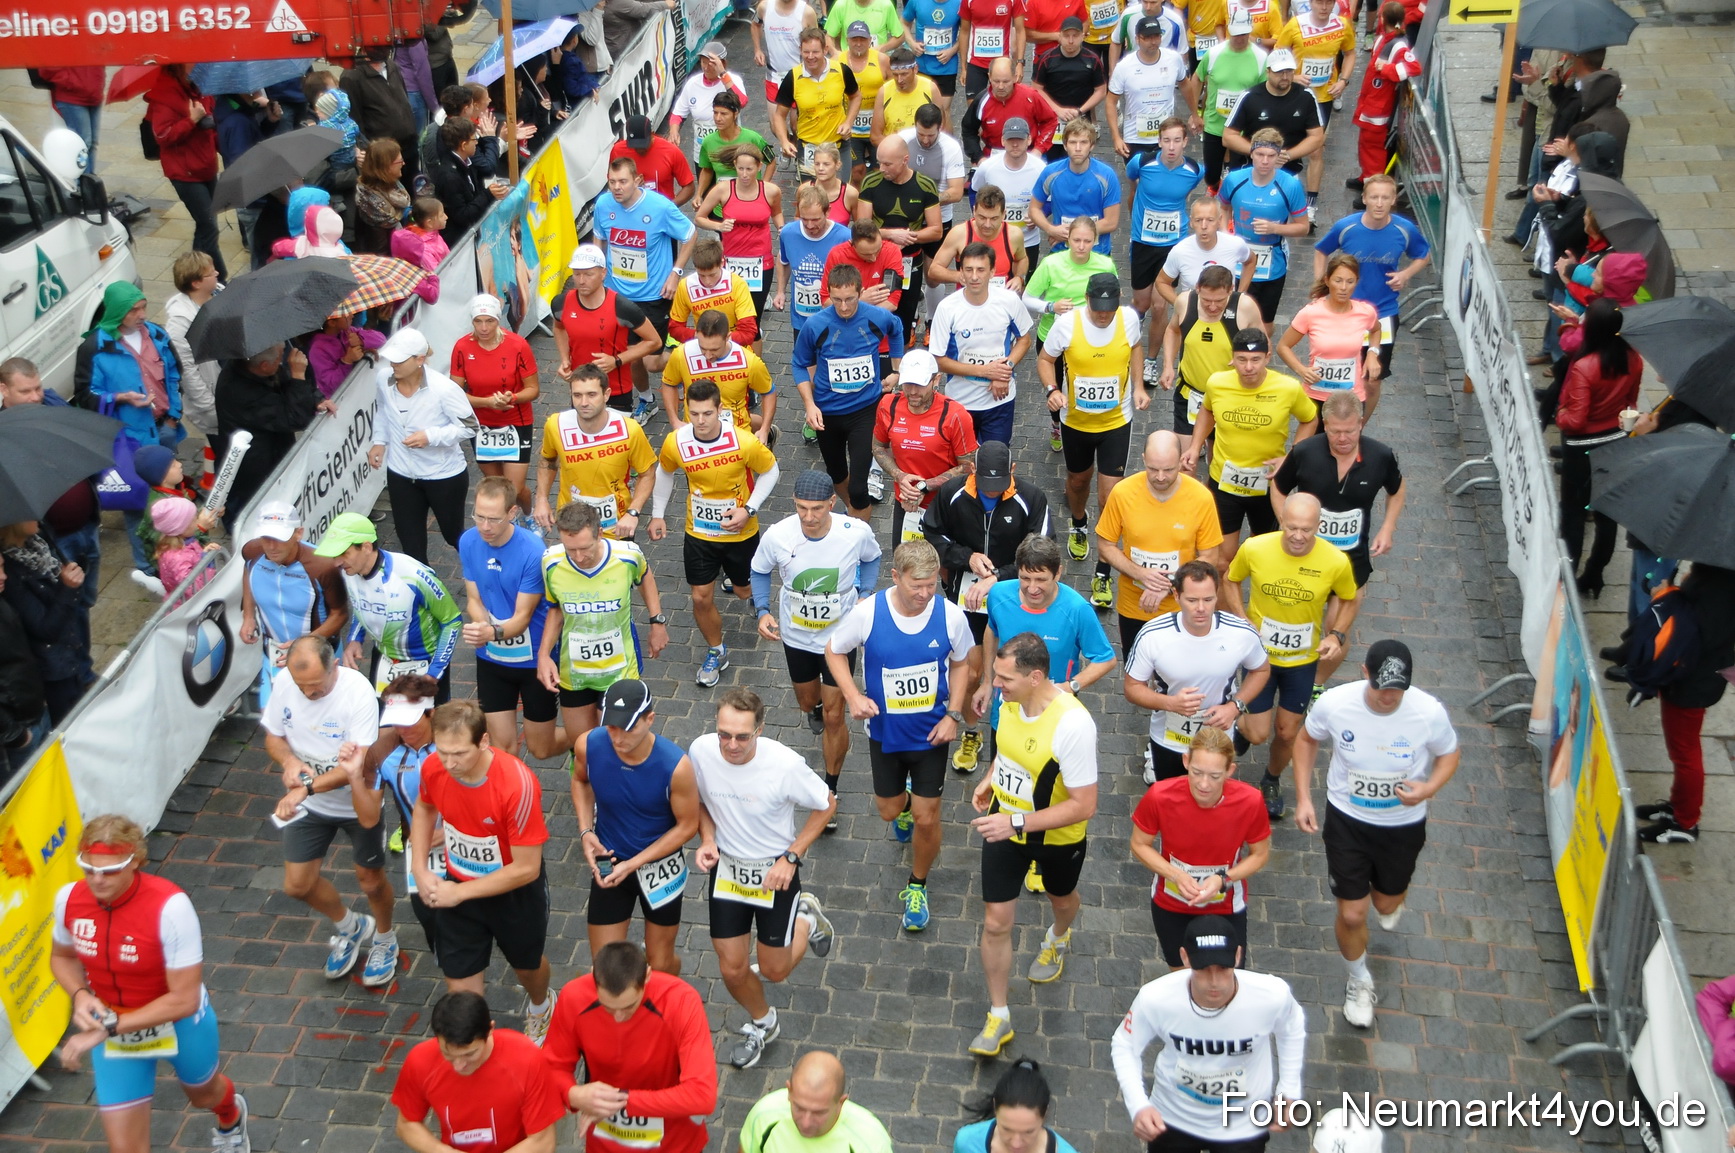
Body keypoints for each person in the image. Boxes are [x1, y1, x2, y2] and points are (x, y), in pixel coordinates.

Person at [49, 816, 251, 1153]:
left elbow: (184, 1000)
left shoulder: (171, 907)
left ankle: (231, 1117)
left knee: (203, 1095)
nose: (97, 880)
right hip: (114, 1028)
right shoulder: (68, 899)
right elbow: (62, 957)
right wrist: (80, 993)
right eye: (88, 869)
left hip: (179, 1023)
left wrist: (109, 1028)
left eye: (110, 871)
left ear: (136, 863)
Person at [1292, 640, 1460, 1027]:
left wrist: (1428, 788)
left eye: (1397, 689)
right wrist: (1304, 798)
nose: (1389, 697)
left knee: (1385, 905)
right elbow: (1306, 739)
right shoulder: (1336, 703)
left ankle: (1391, 900)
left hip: (1401, 826)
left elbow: (1449, 753)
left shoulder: (1427, 712)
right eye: (1382, 686)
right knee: (1352, 913)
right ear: (1364, 673)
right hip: (1347, 821)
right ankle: (1359, 980)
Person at [826, 538, 973, 930]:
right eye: (916, 585)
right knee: (889, 810)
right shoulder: (869, 612)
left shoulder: (951, 616)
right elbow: (833, 651)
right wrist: (853, 695)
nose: (925, 594)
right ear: (895, 577)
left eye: (931, 585)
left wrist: (954, 715)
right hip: (885, 733)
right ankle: (905, 807)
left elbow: (962, 666)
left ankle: (917, 885)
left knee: (928, 818)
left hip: (931, 734)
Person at [967, 633, 1099, 1056]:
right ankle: (999, 1014)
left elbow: (1084, 805)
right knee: (995, 922)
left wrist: (1017, 822)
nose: (996, 685)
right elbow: (1007, 752)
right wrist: (991, 779)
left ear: (1036, 677)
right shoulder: (1009, 704)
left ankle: (1058, 937)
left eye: (1005, 678)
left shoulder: (1073, 725)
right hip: (1005, 828)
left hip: (1056, 838)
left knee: (1063, 900)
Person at [691, 689, 838, 1069]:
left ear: (760, 730)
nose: (731, 745)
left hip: (775, 872)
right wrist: (707, 838)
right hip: (728, 869)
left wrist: (791, 856)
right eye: (724, 734)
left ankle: (806, 917)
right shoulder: (702, 752)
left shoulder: (785, 765)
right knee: (732, 967)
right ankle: (763, 1023)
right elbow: (701, 802)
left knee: (775, 969)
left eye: (742, 736)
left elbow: (827, 805)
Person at [408, 699, 556, 1042]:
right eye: (442, 751)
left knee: (528, 966)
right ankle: (476, 1046)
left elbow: (527, 868)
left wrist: (458, 892)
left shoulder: (517, 785)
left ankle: (541, 1005)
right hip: (457, 887)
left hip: (512, 893)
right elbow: (424, 808)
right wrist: (419, 868)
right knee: (461, 993)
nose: (449, 762)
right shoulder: (434, 767)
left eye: (459, 753)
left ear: (484, 742)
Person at [261, 636, 397, 985]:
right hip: (310, 805)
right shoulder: (284, 684)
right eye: (301, 686)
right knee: (297, 884)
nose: (308, 694)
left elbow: (358, 765)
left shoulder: (358, 694)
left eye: (316, 687)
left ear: (334, 665)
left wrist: (305, 788)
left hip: (356, 800)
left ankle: (385, 937)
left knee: (370, 880)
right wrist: (289, 760)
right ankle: (350, 927)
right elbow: (273, 737)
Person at [1110, 914, 1306, 1150]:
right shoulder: (1155, 997)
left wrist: (1288, 1089)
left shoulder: (1271, 995)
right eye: (1203, 969)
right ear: (1184, 957)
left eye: (1223, 968)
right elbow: (1124, 1044)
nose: (1214, 981)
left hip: (1242, 1123)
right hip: (1172, 1119)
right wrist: (1138, 1105)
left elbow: (1292, 1027)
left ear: (1237, 955)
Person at [1222, 493, 1359, 819]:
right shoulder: (1255, 548)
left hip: (1302, 659)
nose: (1298, 536)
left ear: (1319, 526)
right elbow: (1230, 579)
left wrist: (1336, 634)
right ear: (1281, 521)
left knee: (1286, 732)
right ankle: (1242, 731)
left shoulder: (1335, 560)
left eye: (1307, 530)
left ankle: (1271, 779)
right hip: (1261, 660)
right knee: (1258, 733)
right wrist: (1241, 617)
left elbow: (1350, 598)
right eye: (1291, 527)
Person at [921, 442, 1054, 772]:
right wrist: (966, 557)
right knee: (971, 670)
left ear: (1013, 471)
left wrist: (998, 577)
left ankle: (1021, 726)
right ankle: (970, 731)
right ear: (971, 471)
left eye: (998, 486)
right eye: (984, 484)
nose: (991, 493)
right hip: (966, 595)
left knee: (1018, 666)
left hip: (1016, 597)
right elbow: (933, 535)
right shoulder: (952, 494)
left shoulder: (1033, 499)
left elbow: (1043, 554)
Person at [754, 470, 884, 806]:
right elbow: (759, 569)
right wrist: (762, 610)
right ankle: (814, 708)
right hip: (796, 637)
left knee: (834, 715)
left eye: (817, 509)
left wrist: (866, 592)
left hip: (839, 638)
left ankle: (831, 787)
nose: (808, 517)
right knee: (806, 701)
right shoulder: (778, 535)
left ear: (831, 503)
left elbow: (872, 558)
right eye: (801, 508)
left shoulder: (854, 532)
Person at [649, 380, 781, 687]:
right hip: (699, 532)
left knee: (743, 590)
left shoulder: (743, 441)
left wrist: (749, 509)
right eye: (693, 413)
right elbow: (665, 472)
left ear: (720, 410)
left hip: (740, 533)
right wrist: (658, 514)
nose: (700, 421)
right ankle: (716, 650)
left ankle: (753, 600)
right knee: (700, 596)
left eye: (707, 413)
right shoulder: (676, 442)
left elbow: (771, 470)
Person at [1270, 392, 1404, 680]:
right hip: (1305, 553)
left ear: (1361, 425)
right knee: (1295, 621)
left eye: (1350, 431)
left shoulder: (1380, 455)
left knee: (1336, 631)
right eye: (1335, 432)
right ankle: (1281, 672)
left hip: (1350, 558)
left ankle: (1316, 684)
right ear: (1325, 425)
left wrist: (1388, 527)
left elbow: (1397, 489)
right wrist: (1287, 522)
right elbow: (1278, 487)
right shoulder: (1305, 451)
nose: (1343, 438)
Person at [569, 681, 698, 976]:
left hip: (659, 867)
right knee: (605, 966)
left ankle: (671, 996)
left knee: (661, 964)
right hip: (610, 861)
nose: (617, 737)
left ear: (649, 719)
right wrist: (586, 831)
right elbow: (580, 781)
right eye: (612, 727)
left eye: (628, 728)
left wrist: (634, 864)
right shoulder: (588, 744)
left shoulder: (676, 766)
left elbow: (688, 826)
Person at [541, 941, 718, 1152]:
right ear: (592, 976)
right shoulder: (574, 997)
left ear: (648, 976)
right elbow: (551, 1067)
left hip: (674, 1143)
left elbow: (702, 1095)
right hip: (604, 1143)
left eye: (629, 1006)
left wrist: (621, 1100)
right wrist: (573, 1094)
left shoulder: (681, 1001)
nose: (618, 1017)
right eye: (607, 1007)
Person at [1130, 726, 1271, 966]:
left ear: (1230, 771)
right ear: (1186, 761)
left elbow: (1260, 854)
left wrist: (1224, 879)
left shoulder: (1250, 801)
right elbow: (1139, 844)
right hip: (1171, 903)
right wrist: (1175, 875)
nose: (1204, 784)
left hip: (1225, 905)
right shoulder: (1160, 796)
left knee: (1229, 972)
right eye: (1197, 772)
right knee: (1181, 972)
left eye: (1215, 776)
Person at [1039, 272, 1147, 581]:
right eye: (1098, 308)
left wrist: (1139, 386)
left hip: (1116, 421)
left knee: (1110, 495)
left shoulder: (1127, 319)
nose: (1103, 315)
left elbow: (1136, 347)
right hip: (1077, 422)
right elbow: (1045, 360)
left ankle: (1104, 569)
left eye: (1109, 309)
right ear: (1086, 299)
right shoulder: (1067, 325)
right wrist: (1052, 390)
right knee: (1077, 482)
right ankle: (1078, 521)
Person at [1182, 328, 1316, 570]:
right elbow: (1208, 410)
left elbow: (1310, 419)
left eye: (1256, 360)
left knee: (1264, 555)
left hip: (1268, 484)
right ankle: (1224, 607)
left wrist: (1291, 457)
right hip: (1224, 481)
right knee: (1222, 560)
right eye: (1242, 359)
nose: (1249, 367)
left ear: (1267, 357)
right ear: (1232, 358)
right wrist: (1194, 445)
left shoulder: (1288, 388)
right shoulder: (1217, 382)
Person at [975, 534, 1117, 763]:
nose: (1032, 588)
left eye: (1041, 579)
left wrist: (1071, 686)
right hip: (1005, 712)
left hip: (1052, 715)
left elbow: (1106, 658)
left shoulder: (1077, 610)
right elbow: (992, 630)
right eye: (1025, 578)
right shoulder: (999, 595)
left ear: (1058, 573)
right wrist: (986, 681)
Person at [1124, 558, 1268, 782]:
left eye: (1208, 599)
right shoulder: (1153, 635)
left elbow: (1261, 670)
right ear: (1176, 596)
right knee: (1171, 804)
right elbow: (1132, 687)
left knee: (1211, 803)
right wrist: (1171, 704)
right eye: (1192, 600)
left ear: (1217, 596)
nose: (1201, 608)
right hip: (1169, 739)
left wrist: (1235, 707)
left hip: (1218, 739)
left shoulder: (1240, 633)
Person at [536, 500, 669, 735]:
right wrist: (544, 654)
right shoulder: (551, 562)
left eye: (585, 548)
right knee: (581, 747)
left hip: (620, 670)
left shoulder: (627, 556)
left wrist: (656, 621)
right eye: (570, 549)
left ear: (599, 533)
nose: (578, 557)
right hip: (575, 672)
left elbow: (645, 576)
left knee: (619, 744)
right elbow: (556, 609)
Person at [455, 478, 561, 760]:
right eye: (479, 517)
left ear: (512, 513)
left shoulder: (533, 551)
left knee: (541, 748)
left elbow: (523, 617)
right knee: (502, 748)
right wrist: (481, 626)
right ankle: (514, 801)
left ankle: (584, 739)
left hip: (532, 660)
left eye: (493, 519)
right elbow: (474, 599)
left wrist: (489, 633)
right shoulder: (468, 541)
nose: (484, 527)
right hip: (492, 660)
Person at [794, 265, 907, 518]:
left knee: (858, 487)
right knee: (837, 476)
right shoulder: (815, 325)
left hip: (865, 410)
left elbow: (897, 329)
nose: (843, 307)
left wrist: (898, 370)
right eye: (836, 300)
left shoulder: (876, 317)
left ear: (861, 292)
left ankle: (859, 537)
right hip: (828, 413)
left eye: (850, 299)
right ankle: (853, 514)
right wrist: (809, 405)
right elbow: (799, 363)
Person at [1634, 564, 1735, 844]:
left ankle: (1686, 822)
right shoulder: (1716, 569)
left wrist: (1663, 595)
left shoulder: (1722, 584)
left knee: (1684, 750)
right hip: (1689, 674)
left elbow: (1698, 632)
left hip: (1695, 678)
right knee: (1680, 747)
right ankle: (1678, 806)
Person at [1097, 431, 1225, 650]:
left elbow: (1211, 556)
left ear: (1181, 461)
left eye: (1169, 469)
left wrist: (1170, 583)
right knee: (1135, 672)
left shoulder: (1201, 498)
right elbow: (1105, 545)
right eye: (1153, 469)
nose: (1160, 477)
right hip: (1134, 605)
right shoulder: (1123, 493)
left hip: (1182, 608)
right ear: (1144, 459)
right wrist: (1140, 573)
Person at [592, 157, 698, 417]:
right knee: (630, 354)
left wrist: (675, 273)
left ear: (637, 180)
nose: (617, 187)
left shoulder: (659, 207)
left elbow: (690, 233)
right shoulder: (604, 205)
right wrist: (597, 270)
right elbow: (599, 235)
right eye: (612, 182)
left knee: (651, 360)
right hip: (616, 293)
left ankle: (688, 359)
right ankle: (646, 398)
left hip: (653, 295)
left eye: (623, 182)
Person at [392, 992, 563, 1153]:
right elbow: (406, 1124)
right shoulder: (420, 1060)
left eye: (470, 1054)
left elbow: (543, 1141)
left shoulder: (527, 1060)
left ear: (490, 1030)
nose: (459, 1065)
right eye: (448, 1055)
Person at [317, 511, 463, 699]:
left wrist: (435, 671)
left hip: (424, 661)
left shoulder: (412, 575)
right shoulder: (349, 571)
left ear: (367, 547)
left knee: (429, 727)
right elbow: (361, 602)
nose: (337, 562)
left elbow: (452, 620)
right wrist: (355, 638)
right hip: (384, 657)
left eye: (344, 553)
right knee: (382, 725)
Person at [1554, 298, 1642, 599]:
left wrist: (1559, 415)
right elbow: (1631, 401)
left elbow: (1575, 421)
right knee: (1606, 517)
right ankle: (1594, 574)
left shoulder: (1584, 367)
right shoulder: (1633, 359)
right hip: (1615, 443)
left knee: (1574, 515)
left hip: (1581, 449)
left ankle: (1566, 575)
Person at [1311, 173, 1430, 392]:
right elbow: (1321, 250)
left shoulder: (1404, 230)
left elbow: (1423, 254)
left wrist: (1406, 274)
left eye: (1385, 198)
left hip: (1383, 312)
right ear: (1364, 198)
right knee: (1339, 374)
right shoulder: (1346, 227)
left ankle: (1359, 426)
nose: (1379, 203)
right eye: (1374, 197)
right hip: (1345, 310)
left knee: (1373, 381)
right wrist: (1323, 283)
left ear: (1394, 200)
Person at [367, 328, 477, 564]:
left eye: (399, 359)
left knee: (453, 535)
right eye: (391, 358)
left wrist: (430, 436)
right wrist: (379, 441)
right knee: (411, 546)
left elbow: (471, 427)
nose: (393, 364)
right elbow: (383, 410)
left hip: (443, 475)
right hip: (401, 474)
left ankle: (482, 576)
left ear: (419, 359)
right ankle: (424, 596)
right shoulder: (383, 379)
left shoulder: (444, 389)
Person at [214, 341, 333, 536]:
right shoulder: (240, 391)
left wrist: (316, 399)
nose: (284, 360)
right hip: (256, 468)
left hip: (274, 451)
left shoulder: (257, 366)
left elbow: (287, 386)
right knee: (253, 517)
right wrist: (298, 375)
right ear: (264, 366)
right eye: (279, 357)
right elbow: (295, 418)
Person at [239, 502, 351, 705]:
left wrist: (303, 644)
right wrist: (248, 615)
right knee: (274, 721)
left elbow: (341, 613)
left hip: (319, 656)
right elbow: (248, 570)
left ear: (298, 533)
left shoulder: (323, 565)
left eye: (280, 539)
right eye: (266, 538)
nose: (271, 547)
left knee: (322, 718)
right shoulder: (252, 551)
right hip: (274, 654)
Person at [533, 364, 658, 540]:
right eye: (577, 395)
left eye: (591, 395)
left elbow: (647, 473)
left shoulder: (629, 429)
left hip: (616, 527)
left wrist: (633, 513)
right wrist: (541, 500)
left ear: (606, 394)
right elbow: (548, 460)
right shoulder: (555, 425)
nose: (584, 403)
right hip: (572, 525)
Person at [1022, 217, 1117, 449]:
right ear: (1068, 239)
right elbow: (1027, 298)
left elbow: (1113, 299)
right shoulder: (1051, 263)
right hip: (1052, 335)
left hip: (1089, 337)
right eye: (1076, 240)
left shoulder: (1105, 265)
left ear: (1096, 241)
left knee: (1083, 382)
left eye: (1087, 241)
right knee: (1054, 383)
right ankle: (1056, 424)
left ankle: (1083, 424)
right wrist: (1050, 307)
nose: (1081, 246)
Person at [872, 347, 980, 543]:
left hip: (946, 504)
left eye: (920, 385)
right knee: (906, 565)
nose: (913, 392)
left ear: (936, 379)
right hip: (906, 502)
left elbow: (969, 465)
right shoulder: (888, 405)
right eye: (908, 384)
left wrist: (925, 486)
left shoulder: (955, 415)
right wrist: (899, 475)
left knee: (946, 568)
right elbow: (878, 448)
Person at [930, 244, 1033, 446]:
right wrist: (986, 371)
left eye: (981, 270)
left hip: (999, 400)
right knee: (962, 465)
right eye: (968, 270)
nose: (974, 276)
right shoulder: (947, 308)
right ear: (961, 272)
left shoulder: (1009, 301)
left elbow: (1025, 339)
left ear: (992, 272)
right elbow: (939, 360)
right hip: (960, 401)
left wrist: (1005, 370)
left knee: (995, 463)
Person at [551, 244, 664, 417]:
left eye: (588, 274)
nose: (581, 280)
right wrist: (565, 359)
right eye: (577, 274)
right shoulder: (561, 303)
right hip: (581, 389)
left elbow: (654, 341)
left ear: (603, 273)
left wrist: (617, 360)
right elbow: (559, 326)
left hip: (615, 391)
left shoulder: (622, 307)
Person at [1158, 264, 1262, 439]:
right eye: (1206, 300)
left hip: (1230, 396)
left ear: (1231, 290)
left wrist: (1245, 360)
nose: (1212, 307)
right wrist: (1168, 365)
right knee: (1185, 461)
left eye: (1219, 301)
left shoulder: (1245, 307)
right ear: (1197, 288)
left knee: (1217, 460)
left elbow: (1263, 346)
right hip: (1190, 394)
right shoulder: (1184, 302)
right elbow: (1172, 330)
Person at [0, 523, 89, 726]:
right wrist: (67, 589)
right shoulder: (11, 572)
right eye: (28, 514)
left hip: (69, 651)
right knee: (68, 726)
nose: (36, 518)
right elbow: (45, 629)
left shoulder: (39, 543)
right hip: (51, 668)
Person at [144, 65, 227, 283]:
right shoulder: (165, 97)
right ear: (178, 70)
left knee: (205, 226)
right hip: (184, 172)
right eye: (193, 67)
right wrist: (191, 120)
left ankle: (193, 276)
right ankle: (218, 279)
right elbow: (162, 136)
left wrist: (225, 151)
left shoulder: (201, 89)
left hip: (206, 165)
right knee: (208, 226)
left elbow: (212, 125)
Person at [857, 135, 944, 342]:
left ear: (905, 160)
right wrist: (890, 234)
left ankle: (900, 367)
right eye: (879, 162)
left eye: (887, 164)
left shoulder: (925, 185)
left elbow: (936, 231)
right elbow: (861, 228)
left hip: (909, 261)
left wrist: (909, 237)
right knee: (872, 315)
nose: (882, 168)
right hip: (875, 259)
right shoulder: (871, 182)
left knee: (904, 316)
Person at [1217, 128, 1308, 324]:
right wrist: (1225, 233)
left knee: (1264, 324)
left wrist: (1275, 229)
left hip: (1272, 263)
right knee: (1232, 317)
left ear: (1279, 156)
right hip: (1238, 258)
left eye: (1271, 156)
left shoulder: (1290, 185)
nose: (1265, 161)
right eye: (1260, 154)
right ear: (1251, 153)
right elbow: (1222, 208)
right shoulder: (1234, 179)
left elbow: (1303, 227)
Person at [1274, 0, 1357, 210]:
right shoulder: (1295, 25)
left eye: (1329, 3)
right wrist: (1292, 76)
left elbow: (1350, 53)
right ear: (1311, 2)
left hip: (1323, 98)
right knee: (1284, 147)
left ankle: (1311, 205)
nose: (1324, 7)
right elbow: (1277, 55)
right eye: (1319, 2)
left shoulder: (1342, 25)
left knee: (1316, 150)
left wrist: (1343, 81)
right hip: (1294, 96)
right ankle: (1279, 194)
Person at [1276, 252, 1383, 411]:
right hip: (1317, 395)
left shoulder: (1365, 312)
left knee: (1347, 436)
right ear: (1327, 280)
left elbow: (1376, 329)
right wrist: (1302, 370)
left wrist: (1372, 354)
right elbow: (1283, 346)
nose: (1343, 287)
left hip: (1351, 396)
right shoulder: (1310, 313)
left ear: (1357, 283)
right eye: (1338, 280)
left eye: (1350, 281)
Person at [1126, 120, 1206, 326]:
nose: (1172, 147)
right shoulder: (1141, 163)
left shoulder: (1195, 170)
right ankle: (1136, 323)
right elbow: (1132, 187)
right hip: (1143, 241)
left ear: (1185, 142)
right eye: (1167, 140)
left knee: (1160, 305)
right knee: (1141, 302)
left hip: (1173, 244)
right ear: (1159, 141)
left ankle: (1152, 358)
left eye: (1177, 140)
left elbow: (1185, 195)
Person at [662, 308, 779, 441]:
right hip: (696, 432)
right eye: (702, 348)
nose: (708, 355)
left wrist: (764, 429)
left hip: (737, 435)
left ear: (728, 337)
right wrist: (674, 421)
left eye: (714, 349)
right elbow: (668, 383)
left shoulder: (749, 361)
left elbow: (768, 392)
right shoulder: (681, 354)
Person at [741, 1051, 893, 1151]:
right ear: (789, 1091)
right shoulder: (763, 1116)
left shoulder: (871, 1142)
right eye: (799, 1108)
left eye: (819, 1113)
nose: (806, 1122)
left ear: (840, 1103)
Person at [1221, 50, 1324, 191]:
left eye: (1289, 71)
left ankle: (1310, 205)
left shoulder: (1305, 96)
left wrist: (1287, 155)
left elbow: (1317, 137)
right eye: (1279, 72)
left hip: (1288, 171)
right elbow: (1228, 137)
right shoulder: (1250, 97)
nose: (1285, 76)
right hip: (1252, 171)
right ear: (1268, 72)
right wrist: (1260, 153)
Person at [1191, 9, 1266, 191]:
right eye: (1236, 33)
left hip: (1243, 130)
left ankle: (1230, 208)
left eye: (1244, 34)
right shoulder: (1214, 53)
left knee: (1238, 176)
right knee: (1211, 175)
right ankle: (1215, 190)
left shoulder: (1261, 57)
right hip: (1214, 125)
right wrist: (1195, 114)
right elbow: (1196, 79)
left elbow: (1263, 92)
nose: (1240, 38)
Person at [774, 28, 862, 178]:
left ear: (825, 49)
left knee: (840, 195)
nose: (810, 57)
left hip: (838, 145)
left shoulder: (841, 70)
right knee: (810, 197)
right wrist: (784, 141)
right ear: (800, 50)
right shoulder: (793, 77)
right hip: (809, 148)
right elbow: (779, 115)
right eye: (806, 52)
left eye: (815, 52)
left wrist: (848, 122)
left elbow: (856, 96)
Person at [1107, 17, 1192, 167]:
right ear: (1137, 39)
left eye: (1156, 36)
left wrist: (1195, 114)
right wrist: (1116, 137)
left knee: (1165, 181)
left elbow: (1185, 84)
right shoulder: (1124, 66)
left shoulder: (1173, 59)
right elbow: (1110, 101)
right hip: (1135, 137)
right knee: (1137, 184)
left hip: (1166, 136)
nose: (1153, 42)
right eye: (1147, 37)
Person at [1350, 3, 1418, 187]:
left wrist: (1387, 69)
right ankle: (1366, 177)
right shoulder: (1384, 40)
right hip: (1371, 100)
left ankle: (1374, 187)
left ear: (1382, 18)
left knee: (1373, 147)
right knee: (1365, 143)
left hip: (1379, 106)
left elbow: (1413, 68)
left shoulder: (1398, 44)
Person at [1029, 119, 1120, 255]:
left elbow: (1111, 222)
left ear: (1092, 146)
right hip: (1061, 252)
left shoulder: (1107, 175)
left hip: (1097, 253)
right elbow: (1034, 208)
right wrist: (1050, 229)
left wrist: (1071, 232)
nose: (1078, 148)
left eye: (1083, 142)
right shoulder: (1051, 172)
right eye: (1073, 142)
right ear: (1065, 145)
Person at [776, 184, 855, 338]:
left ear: (828, 212)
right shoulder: (788, 233)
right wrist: (780, 291)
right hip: (801, 317)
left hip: (835, 318)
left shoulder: (845, 237)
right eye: (804, 219)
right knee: (804, 361)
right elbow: (783, 261)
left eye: (815, 219)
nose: (810, 225)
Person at [954, 1058, 1079, 1153]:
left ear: (1044, 1115)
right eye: (1007, 1129)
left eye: (1028, 1132)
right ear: (995, 1107)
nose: (1016, 1144)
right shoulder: (967, 1142)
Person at [1154, 195, 1256, 311]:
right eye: (1198, 220)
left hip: (1225, 312)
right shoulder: (1180, 251)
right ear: (1191, 222)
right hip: (1194, 314)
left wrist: (1239, 296)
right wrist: (1180, 305)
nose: (1204, 226)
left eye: (1210, 220)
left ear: (1219, 221)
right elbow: (1161, 282)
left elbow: (1251, 261)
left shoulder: (1234, 244)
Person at [928, 185, 1030, 296]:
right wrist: (961, 277)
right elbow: (934, 270)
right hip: (968, 302)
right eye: (982, 217)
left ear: (1003, 214)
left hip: (1001, 301)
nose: (987, 224)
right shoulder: (960, 233)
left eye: (994, 219)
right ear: (974, 211)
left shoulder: (1014, 234)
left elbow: (1021, 259)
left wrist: (1019, 278)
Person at [971, 119, 1045, 269]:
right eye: (1011, 140)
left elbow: (1050, 198)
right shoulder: (987, 167)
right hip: (992, 238)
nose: (1015, 144)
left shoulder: (1040, 169)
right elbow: (974, 191)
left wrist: (1039, 215)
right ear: (1003, 141)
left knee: (1023, 285)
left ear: (1029, 140)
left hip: (1028, 239)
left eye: (1020, 139)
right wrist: (978, 216)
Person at [162, 252, 221, 436]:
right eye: (211, 273)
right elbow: (187, 371)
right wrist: (211, 409)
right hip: (216, 404)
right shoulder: (181, 323)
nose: (218, 273)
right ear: (196, 283)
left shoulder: (221, 294)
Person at [427, 117, 509, 246]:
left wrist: (491, 194)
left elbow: (474, 195)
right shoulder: (449, 177)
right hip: (459, 242)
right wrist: (488, 195)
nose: (476, 142)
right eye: (474, 139)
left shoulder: (466, 162)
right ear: (464, 145)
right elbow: (462, 215)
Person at [1033, 17, 1109, 157]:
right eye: (1067, 36)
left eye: (1075, 36)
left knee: (1078, 158)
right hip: (1052, 120)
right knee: (1051, 161)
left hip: (1080, 119)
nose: (1071, 40)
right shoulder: (1046, 59)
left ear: (1082, 36)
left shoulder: (1092, 59)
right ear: (1060, 36)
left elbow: (1101, 90)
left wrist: (1080, 111)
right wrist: (1057, 110)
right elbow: (1037, 88)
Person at [670, 238, 762, 351]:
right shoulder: (686, 286)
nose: (708, 281)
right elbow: (675, 328)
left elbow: (748, 332)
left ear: (722, 263)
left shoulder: (737, 284)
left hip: (735, 347)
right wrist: (702, 339)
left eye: (712, 275)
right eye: (702, 275)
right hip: (702, 347)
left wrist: (713, 341)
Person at [965, 59, 1061, 162]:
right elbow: (968, 130)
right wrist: (979, 158)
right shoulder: (981, 100)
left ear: (1015, 77)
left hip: (1028, 155)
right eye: (996, 81)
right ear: (989, 77)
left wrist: (1038, 149)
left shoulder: (1030, 96)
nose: (1001, 86)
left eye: (1006, 81)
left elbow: (1051, 121)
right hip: (994, 156)